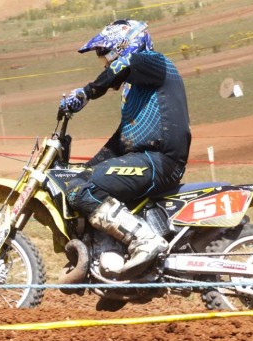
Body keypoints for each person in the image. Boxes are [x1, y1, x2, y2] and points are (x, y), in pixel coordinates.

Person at [60, 19, 191, 278]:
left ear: (127, 44)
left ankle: (145, 241)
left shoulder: (154, 62)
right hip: (145, 159)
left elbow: (125, 64)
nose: (106, 62)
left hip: (160, 160)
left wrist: (86, 93)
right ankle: (112, 265)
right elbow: (123, 140)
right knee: (79, 184)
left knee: (83, 189)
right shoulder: (135, 89)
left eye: (107, 53)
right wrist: (86, 168)